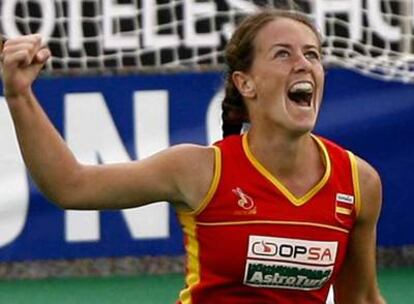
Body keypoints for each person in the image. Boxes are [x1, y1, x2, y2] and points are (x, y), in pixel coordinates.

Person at [0, 7, 386, 304]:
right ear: (245, 83)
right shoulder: (201, 170)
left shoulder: (357, 182)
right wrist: (20, 96)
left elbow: (361, 298)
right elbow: (71, 186)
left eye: (313, 54)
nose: (304, 64)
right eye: (283, 54)